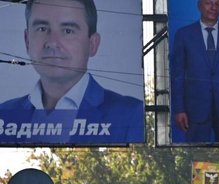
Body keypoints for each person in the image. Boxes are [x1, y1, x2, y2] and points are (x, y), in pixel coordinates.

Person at [0, 0, 144, 144]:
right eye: (42, 29)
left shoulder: (130, 113)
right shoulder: (4, 113)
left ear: (93, 44)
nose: (52, 42)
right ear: (27, 41)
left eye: (67, 31)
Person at [170, 0, 219, 143]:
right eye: (208, 3)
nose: (213, 7)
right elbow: (177, 76)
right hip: (195, 110)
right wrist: (179, 109)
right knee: (196, 154)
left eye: (217, 4)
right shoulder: (183, 35)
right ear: (199, 5)